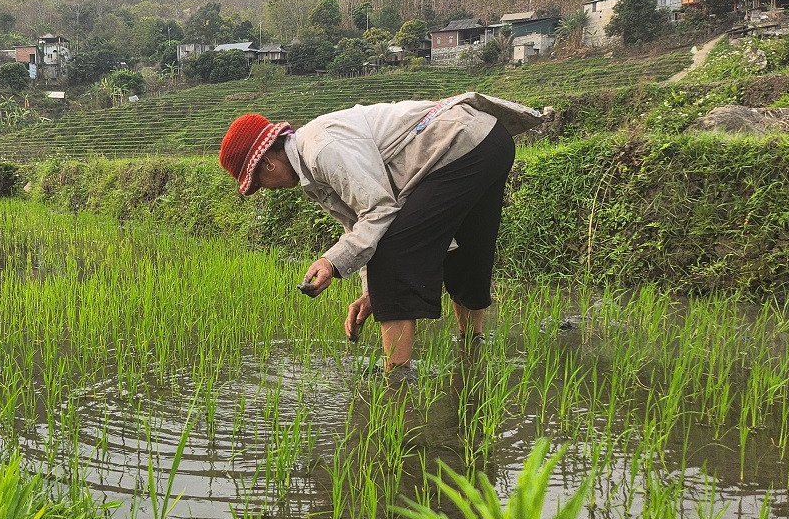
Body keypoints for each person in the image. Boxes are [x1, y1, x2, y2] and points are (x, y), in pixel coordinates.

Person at [218, 92, 549, 372]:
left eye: (259, 183)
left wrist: (331, 263)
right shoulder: (312, 157)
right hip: (488, 140)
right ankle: (472, 350)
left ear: (268, 165)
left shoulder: (321, 149)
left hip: (460, 144)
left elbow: (379, 212)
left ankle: (396, 379)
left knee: (395, 253)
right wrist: (370, 292)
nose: (267, 189)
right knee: (467, 248)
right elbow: (362, 227)